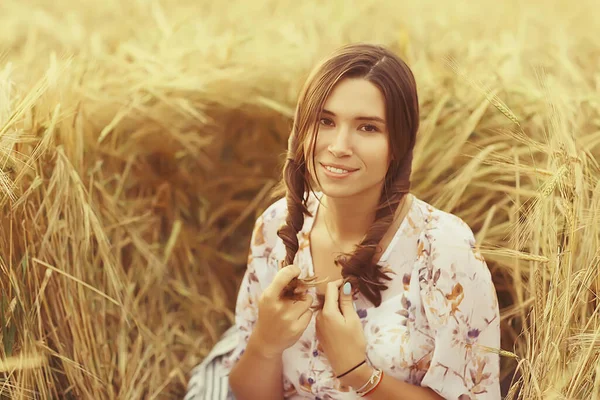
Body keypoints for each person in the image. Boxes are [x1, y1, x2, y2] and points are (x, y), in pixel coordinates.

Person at [186, 43, 501, 400]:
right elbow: (250, 392)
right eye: (325, 121)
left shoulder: (444, 248)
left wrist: (359, 373)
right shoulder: (276, 227)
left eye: (367, 128)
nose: (339, 145)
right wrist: (265, 343)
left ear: (398, 144)